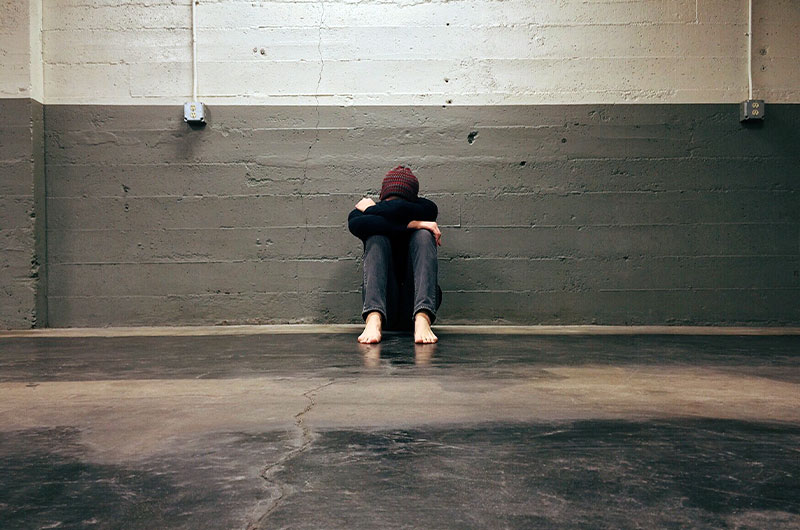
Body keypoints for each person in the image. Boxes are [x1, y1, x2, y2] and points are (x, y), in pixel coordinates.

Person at [348, 166, 442, 344]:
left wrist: (373, 209)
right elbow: (356, 224)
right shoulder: (362, 215)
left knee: (424, 235)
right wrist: (413, 224)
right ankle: (373, 318)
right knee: (376, 237)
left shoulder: (425, 208)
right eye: (389, 201)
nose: (394, 204)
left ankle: (423, 318)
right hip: (385, 306)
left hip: (414, 303)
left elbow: (401, 209)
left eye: (400, 201)